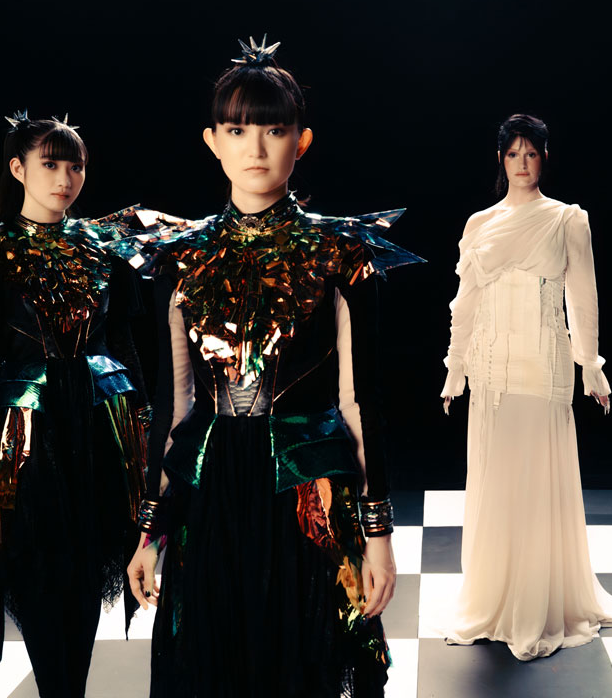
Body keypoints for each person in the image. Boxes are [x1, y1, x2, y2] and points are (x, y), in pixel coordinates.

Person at [120, 37, 420, 697]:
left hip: (306, 487)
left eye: (274, 130)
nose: (255, 148)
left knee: (303, 663)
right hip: (211, 485)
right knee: (212, 665)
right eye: (237, 130)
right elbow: (174, 403)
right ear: (212, 141)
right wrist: (149, 529)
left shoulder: (340, 252)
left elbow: (359, 400)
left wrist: (376, 532)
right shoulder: (181, 256)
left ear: (301, 141)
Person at [0, 113, 150, 697]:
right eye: (50, 164)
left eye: (76, 166)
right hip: (27, 432)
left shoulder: (103, 248)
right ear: (18, 169)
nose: (65, 179)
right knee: (40, 566)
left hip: (99, 425)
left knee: (88, 563)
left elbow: (123, 346)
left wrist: (146, 431)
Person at [436, 113, 612, 661]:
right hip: (491, 367)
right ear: (500, 159)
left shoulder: (566, 219)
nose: (522, 163)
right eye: (513, 154)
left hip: (544, 362)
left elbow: (583, 297)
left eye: (531, 153)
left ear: (545, 158)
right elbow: (466, 301)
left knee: (537, 481)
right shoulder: (479, 223)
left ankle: (537, 603)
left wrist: (590, 365)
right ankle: (493, 599)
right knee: (496, 479)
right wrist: (456, 366)